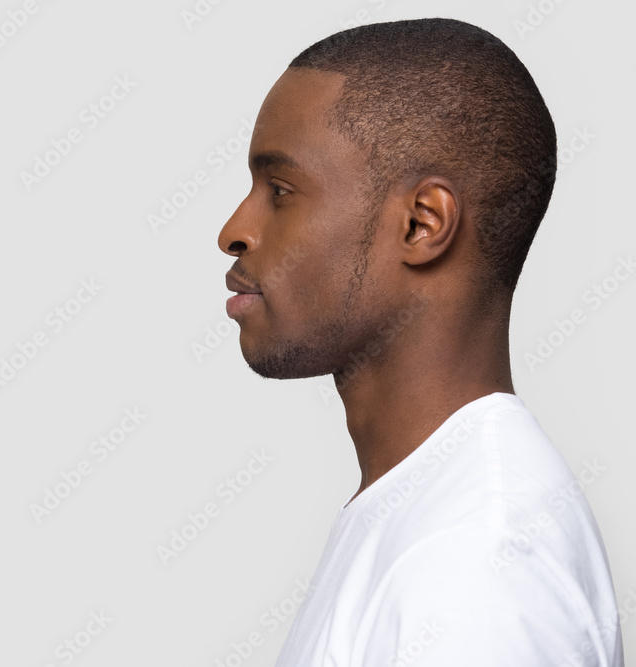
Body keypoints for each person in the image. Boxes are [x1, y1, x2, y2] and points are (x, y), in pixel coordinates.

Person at [217, 18, 623, 666]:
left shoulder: (475, 560)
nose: (234, 230)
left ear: (420, 224)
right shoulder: (424, 514)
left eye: (281, 191)